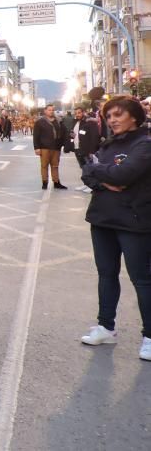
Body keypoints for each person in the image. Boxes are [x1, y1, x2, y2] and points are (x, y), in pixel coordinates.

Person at [79, 96, 151, 361]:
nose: (112, 120)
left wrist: (103, 172)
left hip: (134, 222)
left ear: (134, 116)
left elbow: (124, 175)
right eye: (109, 116)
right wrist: (104, 179)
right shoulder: (108, 144)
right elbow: (87, 172)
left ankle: (150, 336)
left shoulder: (145, 144)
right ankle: (105, 327)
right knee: (106, 275)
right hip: (102, 220)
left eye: (118, 115)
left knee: (142, 280)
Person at [33, 104, 67, 190]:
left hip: (56, 147)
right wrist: (36, 148)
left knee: (55, 166)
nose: (51, 111)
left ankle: (56, 182)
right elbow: (36, 136)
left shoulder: (58, 121)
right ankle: (45, 182)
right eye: (49, 110)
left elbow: (63, 133)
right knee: (44, 166)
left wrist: (63, 144)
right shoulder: (40, 122)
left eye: (52, 110)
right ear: (45, 111)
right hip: (44, 147)